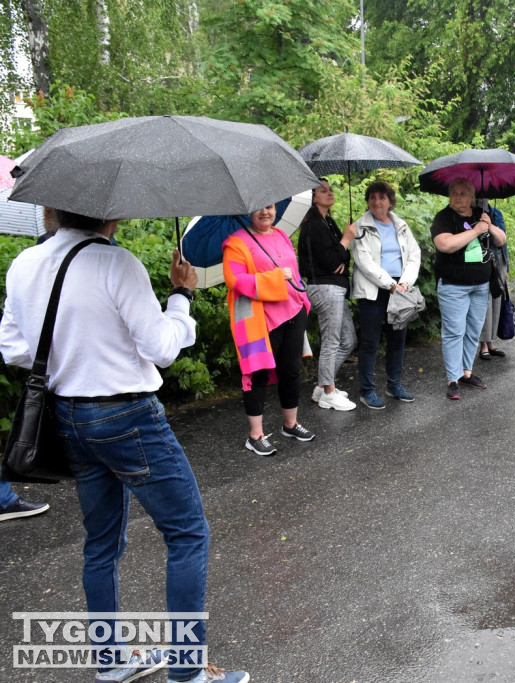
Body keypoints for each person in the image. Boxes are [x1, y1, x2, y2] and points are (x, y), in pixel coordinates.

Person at [0, 209, 247, 683]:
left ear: (53, 210)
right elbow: (160, 349)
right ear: (110, 212)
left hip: (66, 415)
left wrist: (76, 351)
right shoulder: (118, 264)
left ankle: (111, 663)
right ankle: (187, 670)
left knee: (101, 544)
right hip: (127, 415)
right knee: (187, 534)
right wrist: (181, 297)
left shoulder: (25, 264)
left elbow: (13, 349)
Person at [223, 204, 314, 456]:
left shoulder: (281, 234)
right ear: (247, 211)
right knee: (258, 374)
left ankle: (290, 424)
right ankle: (255, 435)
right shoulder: (236, 242)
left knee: (291, 370)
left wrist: (302, 302)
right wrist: (274, 278)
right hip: (260, 319)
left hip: (294, 310)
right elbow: (235, 280)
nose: (266, 212)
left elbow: (292, 271)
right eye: (259, 208)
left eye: (270, 206)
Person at [430, 178, 506, 400]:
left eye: (463, 193)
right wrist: (477, 231)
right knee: (454, 332)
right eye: (454, 192)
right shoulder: (443, 218)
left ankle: (466, 372)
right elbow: (445, 244)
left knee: (473, 330)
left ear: (472, 197)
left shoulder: (479, 215)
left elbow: (501, 240)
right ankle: (452, 379)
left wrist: (488, 225)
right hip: (453, 286)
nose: (458, 196)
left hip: (480, 285)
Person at [350, 180, 421, 409]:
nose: (377, 201)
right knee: (370, 342)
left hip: (400, 289)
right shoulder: (359, 227)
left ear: (390, 201)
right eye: (372, 197)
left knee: (397, 341)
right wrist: (390, 284)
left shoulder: (401, 225)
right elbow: (364, 262)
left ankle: (394, 385)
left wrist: (405, 282)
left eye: (382, 197)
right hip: (373, 291)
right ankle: (367, 390)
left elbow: (414, 254)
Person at [298, 178, 358, 412]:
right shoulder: (313, 226)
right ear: (313, 197)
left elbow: (343, 259)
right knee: (332, 341)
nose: (330, 193)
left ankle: (323, 386)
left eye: (331, 189)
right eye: (323, 190)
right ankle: (329, 393)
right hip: (324, 288)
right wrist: (345, 241)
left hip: (335, 286)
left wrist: (341, 249)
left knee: (348, 340)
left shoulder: (328, 222)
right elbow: (334, 258)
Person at [476, 198, 509, 361]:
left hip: (497, 263)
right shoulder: (470, 213)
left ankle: (491, 342)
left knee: (496, 303)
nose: (483, 199)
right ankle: (482, 344)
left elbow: (503, 242)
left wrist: (506, 267)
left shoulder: (496, 213)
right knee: (484, 305)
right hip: (480, 264)